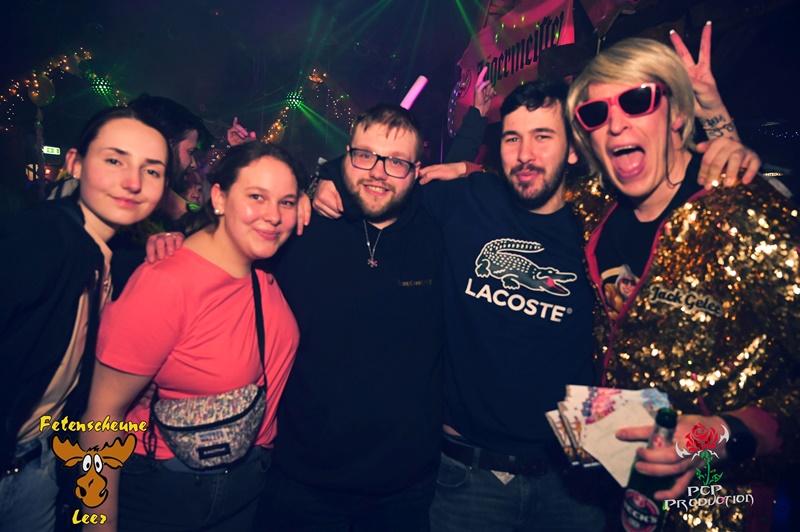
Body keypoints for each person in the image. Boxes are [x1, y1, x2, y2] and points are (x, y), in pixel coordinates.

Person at [566, 34, 799, 531]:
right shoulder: (593, 210)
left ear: (675, 114)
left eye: (636, 101)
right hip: (622, 495)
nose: (616, 124)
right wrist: (463, 170)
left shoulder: (743, 214)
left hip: (723, 505)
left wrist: (715, 436)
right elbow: (527, 179)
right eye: (596, 114)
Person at [79, 142, 301, 531]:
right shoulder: (165, 283)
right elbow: (100, 417)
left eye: (286, 202)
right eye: (256, 196)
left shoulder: (264, 267)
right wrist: (97, 523)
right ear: (219, 198)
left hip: (249, 484)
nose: (273, 215)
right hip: (167, 490)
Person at [0, 106, 170, 532]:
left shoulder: (112, 253)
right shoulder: (42, 238)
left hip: (36, 464)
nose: (133, 182)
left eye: (151, 170)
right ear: (75, 163)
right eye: (114, 160)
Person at [109, 94, 212, 297]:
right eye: (190, 151)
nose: (193, 164)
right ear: (165, 145)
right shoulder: (119, 208)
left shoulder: (161, 203)